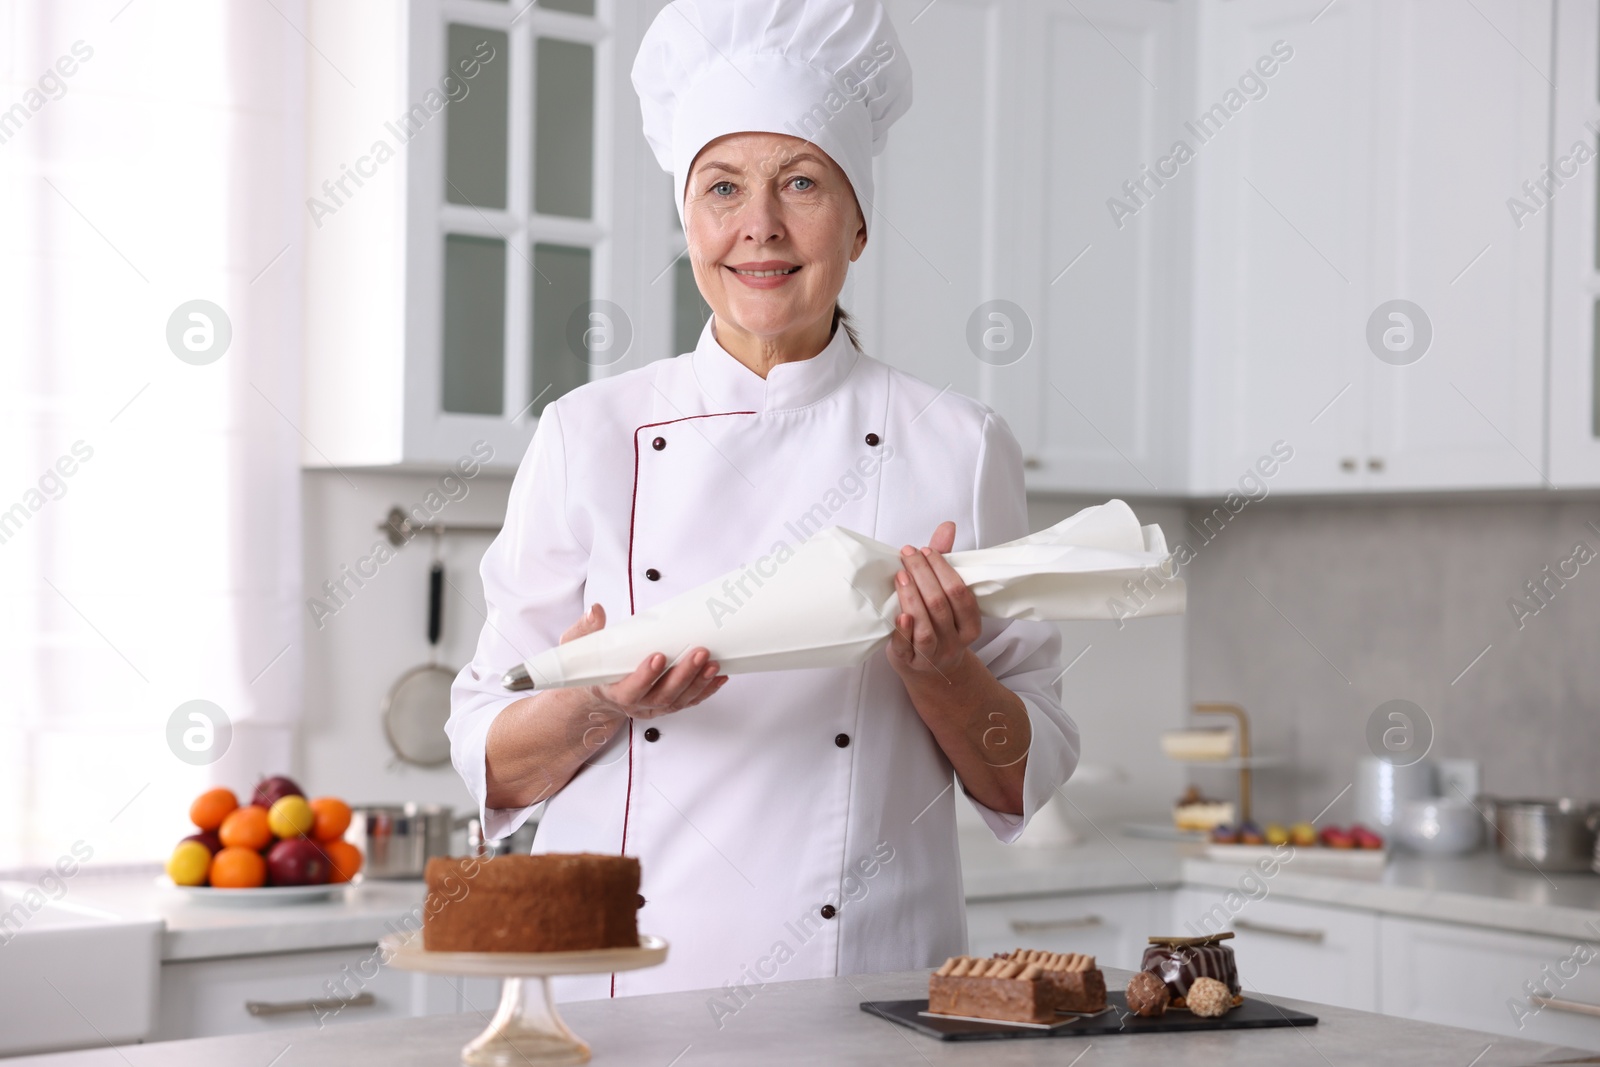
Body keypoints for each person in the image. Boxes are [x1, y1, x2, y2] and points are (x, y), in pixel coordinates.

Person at [447, 0, 1079, 1002]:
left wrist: (944, 675)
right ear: (687, 218)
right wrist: (603, 701)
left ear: (860, 220)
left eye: (801, 182)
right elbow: (489, 758)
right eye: (722, 188)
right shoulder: (588, 434)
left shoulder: (957, 444)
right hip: (623, 993)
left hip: (866, 989)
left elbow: (1021, 777)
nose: (760, 227)